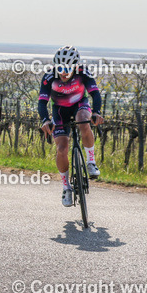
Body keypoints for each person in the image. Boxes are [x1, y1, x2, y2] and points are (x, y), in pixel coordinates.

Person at [37, 45, 104, 207]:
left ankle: (90, 161)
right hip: (60, 111)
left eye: (68, 68)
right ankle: (66, 187)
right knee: (62, 149)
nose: (64, 72)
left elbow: (95, 94)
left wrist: (96, 112)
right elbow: (42, 102)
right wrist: (45, 120)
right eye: (60, 67)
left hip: (80, 104)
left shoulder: (83, 73)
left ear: (75, 66)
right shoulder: (49, 77)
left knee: (83, 121)